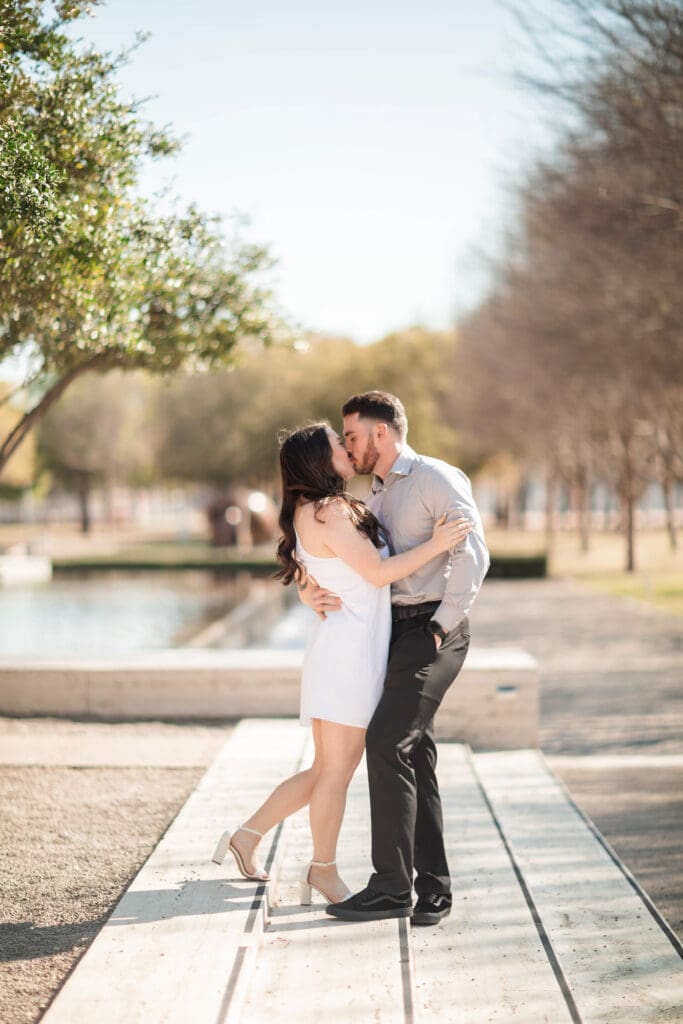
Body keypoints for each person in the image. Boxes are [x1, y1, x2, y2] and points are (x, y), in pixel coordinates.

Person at [212, 421, 471, 905]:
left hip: (349, 649)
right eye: (339, 445)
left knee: (327, 769)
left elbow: (332, 573)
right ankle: (322, 871)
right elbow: (375, 573)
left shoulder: (324, 508)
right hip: (347, 656)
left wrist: (310, 591)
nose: (348, 450)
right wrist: (437, 543)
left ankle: (248, 837)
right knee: (334, 772)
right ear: (318, 460)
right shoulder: (328, 510)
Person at [299, 392, 490, 926]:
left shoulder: (436, 477)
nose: (349, 446)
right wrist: (305, 592)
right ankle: (433, 888)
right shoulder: (375, 493)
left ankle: (390, 888)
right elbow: (336, 561)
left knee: (386, 741)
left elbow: (472, 555)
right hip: (394, 633)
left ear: (381, 434)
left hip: (432, 630)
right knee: (413, 750)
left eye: (353, 436)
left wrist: (440, 626)